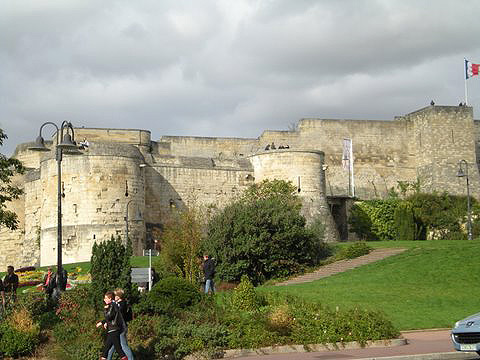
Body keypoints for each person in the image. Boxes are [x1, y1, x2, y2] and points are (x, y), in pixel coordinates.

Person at [96, 291, 128, 360]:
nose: (104, 300)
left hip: (114, 329)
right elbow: (110, 318)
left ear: (110, 299)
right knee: (106, 348)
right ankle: (103, 358)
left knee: (118, 349)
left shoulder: (112, 306)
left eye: (106, 298)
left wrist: (105, 309)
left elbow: (108, 316)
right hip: (112, 329)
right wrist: (102, 322)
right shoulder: (114, 305)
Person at [106, 288, 134, 360]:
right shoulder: (118, 304)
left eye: (114, 295)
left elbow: (115, 315)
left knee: (123, 345)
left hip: (121, 328)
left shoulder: (122, 305)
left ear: (118, 296)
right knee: (111, 346)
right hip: (116, 328)